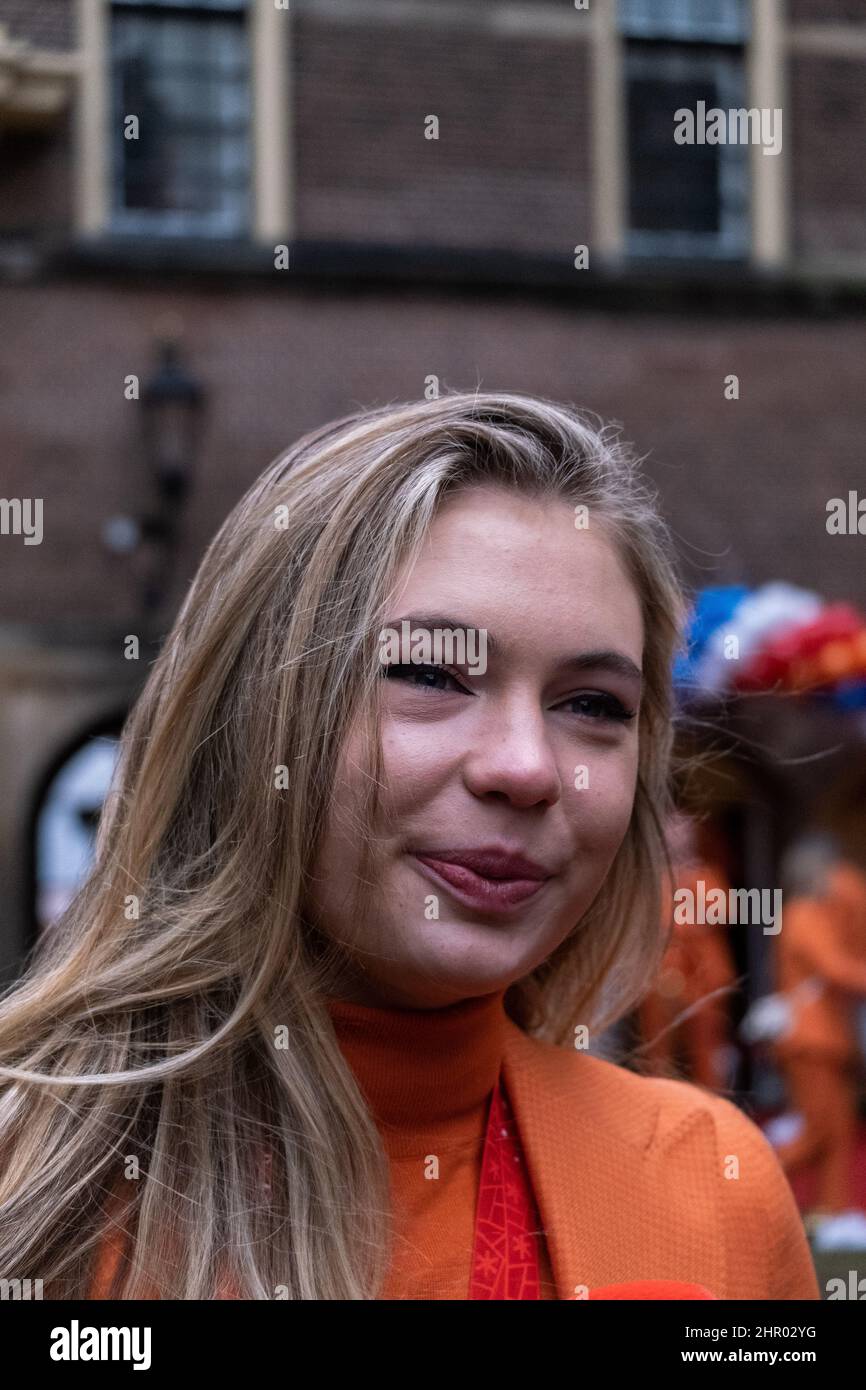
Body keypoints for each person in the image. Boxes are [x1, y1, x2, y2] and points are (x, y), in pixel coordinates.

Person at [0, 392, 818, 1299]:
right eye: (430, 674)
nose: (526, 767)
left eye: (592, 704)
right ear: (251, 716)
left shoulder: (712, 1188)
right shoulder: (31, 1189)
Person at [772, 837, 866, 1221]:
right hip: (811, 1040)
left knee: (838, 1130)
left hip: (823, 1038)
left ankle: (830, 1212)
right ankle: (747, 1184)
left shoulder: (810, 914)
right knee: (818, 1130)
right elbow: (835, 968)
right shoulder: (803, 914)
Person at [638, 811, 738, 1092]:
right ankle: (659, 1106)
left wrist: (688, 881)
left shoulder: (707, 876)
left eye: (682, 833)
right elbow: (648, 925)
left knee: (708, 1051)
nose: (676, 840)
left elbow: (722, 915)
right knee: (658, 1051)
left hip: (703, 981)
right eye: (670, 834)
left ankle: (712, 1105)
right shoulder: (651, 880)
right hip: (661, 980)